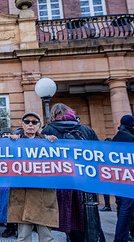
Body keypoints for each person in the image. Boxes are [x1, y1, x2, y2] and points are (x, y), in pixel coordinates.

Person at [41, 103, 103, 242]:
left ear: (53, 115)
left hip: (63, 184)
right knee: (90, 219)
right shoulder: (86, 130)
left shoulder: (48, 130)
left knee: (70, 220)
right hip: (86, 183)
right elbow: (99, 154)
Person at [7, 112, 59, 242]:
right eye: (27, 121)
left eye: (34, 122)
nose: (31, 124)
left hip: (42, 195)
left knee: (47, 237)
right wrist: (7, 140)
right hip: (22, 195)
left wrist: (53, 142)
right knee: (23, 237)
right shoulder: (13, 141)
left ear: (39, 125)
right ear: (22, 124)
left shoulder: (48, 142)